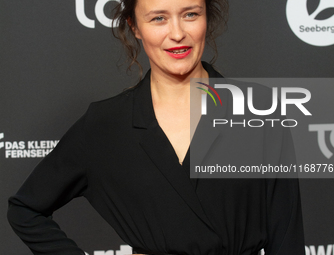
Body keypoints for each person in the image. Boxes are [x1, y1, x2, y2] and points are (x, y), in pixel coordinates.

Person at [7, 0, 305, 254]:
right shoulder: (106, 123)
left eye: (190, 14)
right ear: (134, 26)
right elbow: (25, 209)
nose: (177, 33)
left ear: (206, 18)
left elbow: (287, 238)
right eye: (158, 18)